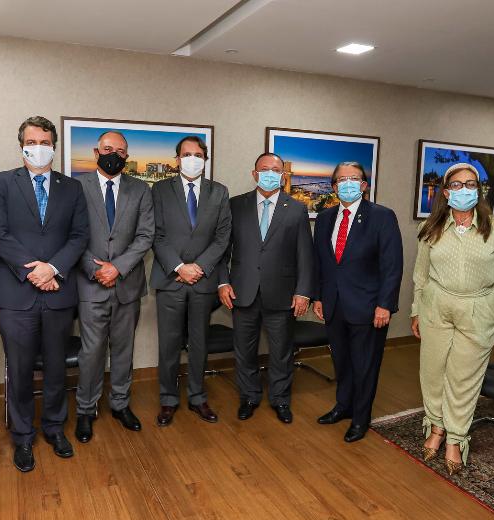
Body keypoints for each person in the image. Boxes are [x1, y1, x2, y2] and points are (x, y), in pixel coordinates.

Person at [0, 116, 89, 472]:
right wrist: (35, 271)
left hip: (59, 293)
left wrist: (53, 268)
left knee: (57, 368)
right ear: (21, 145)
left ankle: (55, 428)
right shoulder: (1, 183)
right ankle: (22, 436)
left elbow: (79, 236)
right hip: (16, 293)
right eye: (32, 142)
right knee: (20, 369)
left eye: (45, 142)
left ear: (54, 147)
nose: (39, 148)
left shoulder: (71, 188)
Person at [410, 163, 494, 475]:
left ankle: (455, 437)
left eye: (470, 184)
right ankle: (436, 427)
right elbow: (420, 275)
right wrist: (416, 310)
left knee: (464, 378)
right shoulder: (429, 228)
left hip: (478, 309)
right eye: (456, 185)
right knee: (432, 373)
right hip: (435, 307)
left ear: (479, 190)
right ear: (446, 192)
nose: (464, 190)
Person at [217, 153, 314, 423]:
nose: (270, 173)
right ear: (254, 173)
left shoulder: (296, 209)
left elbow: (305, 254)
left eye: (276, 170)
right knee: (244, 350)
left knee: (281, 351)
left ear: (283, 175)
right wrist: (223, 281)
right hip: (242, 291)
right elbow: (223, 250)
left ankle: (280, 399)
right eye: (265, 169)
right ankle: (249, 396)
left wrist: (303, 292)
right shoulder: (236, 205)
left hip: (282, 294)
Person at [313, 162, 402, 443]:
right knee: (341, 361)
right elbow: (321, 262)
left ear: (364, 185)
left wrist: (385, 304)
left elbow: (392, 266)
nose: (348, 183)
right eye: (342, 180)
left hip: (369, 307)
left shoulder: (382, 217)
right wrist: (318, 297)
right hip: (334, 303)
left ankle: (361, 419)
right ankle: (344, 406)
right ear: (334, 187)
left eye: (354, 178)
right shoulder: (325, 218)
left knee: (365, 365)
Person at [74, 131, 154, 442]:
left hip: (127, 285)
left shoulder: (141, 189)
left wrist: (117, 267)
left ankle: (121, 404)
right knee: (91, 352)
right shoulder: (77, 187)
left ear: (127, 156)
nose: (114, 155)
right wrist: (96, 269)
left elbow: (145, 235)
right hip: (90, 285)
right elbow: (71, 234)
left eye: (120, 151)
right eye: (108, 149)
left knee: (123, 350)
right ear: (96, 152)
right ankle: (86, 409)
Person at [150, 135, 231, 426]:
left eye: (198, 155)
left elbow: (222, 237)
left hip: (203, 280)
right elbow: (156, 234)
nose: (192, 159)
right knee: (169, 344)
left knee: (199, 342)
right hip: (170, 279)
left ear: (205, 160)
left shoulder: (219, 192)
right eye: (186, 154)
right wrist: (179, 267)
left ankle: (198, 397)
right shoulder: (160, 190)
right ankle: (168, 399)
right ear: (177, 159)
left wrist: (199, 267)